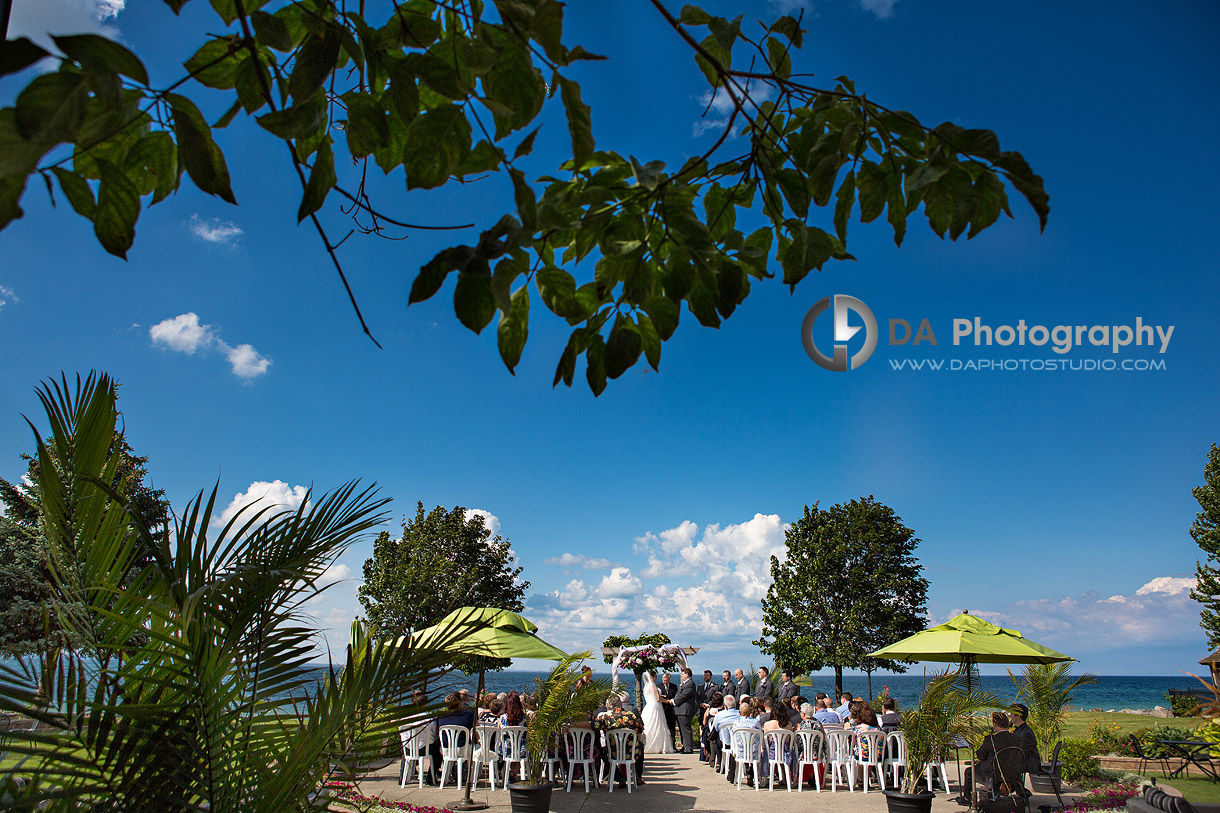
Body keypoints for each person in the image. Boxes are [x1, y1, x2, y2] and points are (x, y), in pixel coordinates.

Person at [962, 711, 1019, 799]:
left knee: (969, 772)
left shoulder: (991, 740)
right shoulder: (1017, 738)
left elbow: (981, 755)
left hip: (993, 774)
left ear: (995, 724)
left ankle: (967, 798)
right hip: (1013, 773)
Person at [593, 693, 646, 786]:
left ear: (609, 706)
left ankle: (618, 776)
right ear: (621, 704)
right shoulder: (631, 716)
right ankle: (638, 776)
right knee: (640, 746)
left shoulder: (606, 717)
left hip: (612, 752)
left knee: (601, 751)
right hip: (631, 752)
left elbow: (594, 726)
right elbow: (640, 730)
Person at [430, 692, 475, 782]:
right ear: (460, 703)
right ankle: (468, 775)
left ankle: (448, 774)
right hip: (462, 749)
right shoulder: (468, 715)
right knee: (472, 746)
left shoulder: (441, 716)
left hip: (445, 749)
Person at [400, 690, 438, 786]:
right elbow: (435, 735)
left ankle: (402, 777)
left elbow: (402, 734)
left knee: (404, 752)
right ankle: (430, 777)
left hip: (408, 749)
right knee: (438, 752)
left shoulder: (405, 718)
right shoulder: (429, 719)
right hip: (425, 750)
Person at [727, 697, 761, 786]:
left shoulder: (736, 723)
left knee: (734, 752)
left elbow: (732, 736)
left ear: (739, 712)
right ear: (750, 712)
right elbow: (760, 733)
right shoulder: (755, 722)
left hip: (740, 753)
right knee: (753, 752)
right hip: (754, 752)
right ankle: (751, 774)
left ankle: (732, 775)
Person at [641, 671, 675, 754]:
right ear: (652, 677)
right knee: (657, 725)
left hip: (648, 706)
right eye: (655, 676)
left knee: (650, 724)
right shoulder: (652, 685)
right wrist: (667, 701)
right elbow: (658, 698)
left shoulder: (646, 686)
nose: (656, 678)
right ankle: (656, 746)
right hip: (655, 706)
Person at [1010, 703, 1041, 776]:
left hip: (1029, 764)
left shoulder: (1026, 733)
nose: (1010, 716)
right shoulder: (1019, 730)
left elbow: (1022, 752)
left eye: (1012, 714)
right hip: (1022, 762)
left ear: (1018, 716)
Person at [712, 694, 741, 771]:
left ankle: (722, 763)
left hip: (725, 743)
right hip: (738, 743)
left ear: (725, 705)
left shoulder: (720, 715)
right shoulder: (740, 714)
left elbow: (717, 728)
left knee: (717, 741)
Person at [673, 667, 698, 754]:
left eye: (682, 674)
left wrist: (674, 701)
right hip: (680, 710)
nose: (682, 676)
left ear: (687, 675)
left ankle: (688, 748)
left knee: (686, 729)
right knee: (681, 729)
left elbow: (683, 695)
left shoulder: (690, 684)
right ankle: (685, 746)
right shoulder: (685, 684)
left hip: (685, 710)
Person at [702, 691, 724, 765]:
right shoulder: (723, 711)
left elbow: (704, 722)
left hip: (711, 732)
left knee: (710, 735)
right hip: (722, 733)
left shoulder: (710, 710)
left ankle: (711, 757)